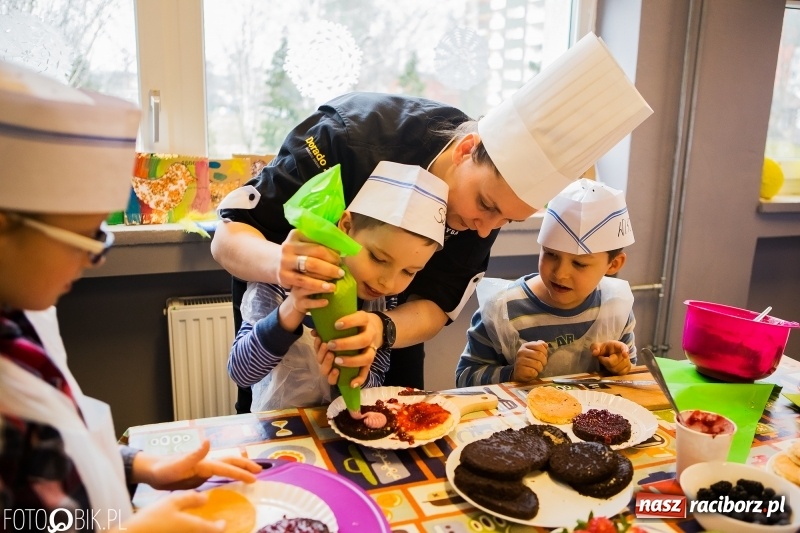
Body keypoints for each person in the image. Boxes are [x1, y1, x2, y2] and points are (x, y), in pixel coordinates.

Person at [211, 32, 652, 409]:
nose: (482, 229)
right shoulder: (349, 136)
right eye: (486, 204)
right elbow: (229, 235)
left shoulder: (479, 221)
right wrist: (284, 270)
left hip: (383, 330)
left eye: (503, 221)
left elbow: (438, 305)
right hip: (279, 310)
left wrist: (381, 329)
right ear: (466, 150)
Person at [0, 60, 261, 533]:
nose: (95, 258)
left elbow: (52, 459)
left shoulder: (21, 317)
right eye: (84, 238)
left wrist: (143, 468)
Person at [227, 162, 447, 412]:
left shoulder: (382, 302)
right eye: (378, 258)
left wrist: (351, 367)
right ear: (346, 227)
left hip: (338, 429)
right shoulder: (284, 277)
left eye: (409, 272)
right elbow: (241, 372)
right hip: (279, 432)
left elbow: (372, 387)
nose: (388, 282)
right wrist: (292, 309)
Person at [455, 178, 638, 386]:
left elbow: (629, 372)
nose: (560, 274)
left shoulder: (616, 309)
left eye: (579, 264)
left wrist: (618, 367)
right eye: (551, 254)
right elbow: (464, 379)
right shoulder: (502, 311)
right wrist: (511, 373)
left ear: (614, 264)